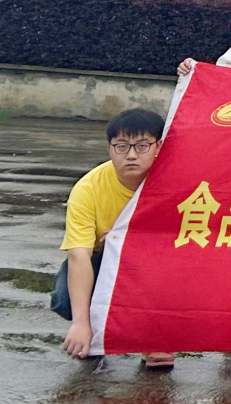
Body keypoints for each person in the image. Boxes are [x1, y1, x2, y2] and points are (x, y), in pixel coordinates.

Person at [57, 108, 174, 369]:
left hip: (158, 265)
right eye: (121, 146)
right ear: (109, 148)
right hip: (106, 261)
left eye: (142, 146)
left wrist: (136, 240)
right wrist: (81, 323)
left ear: (159, 147)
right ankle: (94, 332)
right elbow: (78, 254)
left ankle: (154, 337)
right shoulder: (88, 189)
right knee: (64, 299)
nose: (131, 155)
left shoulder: (176, 183)